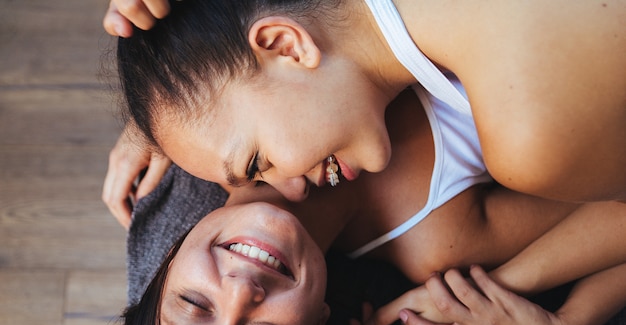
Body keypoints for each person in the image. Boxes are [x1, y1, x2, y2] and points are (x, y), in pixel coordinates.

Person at [93, 87, 626, 325]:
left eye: (195, 305)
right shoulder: (440, 238)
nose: (241, 290)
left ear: (165, 264)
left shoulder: (194, 113)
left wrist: (160, 97)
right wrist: (550, 313)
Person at [102, 0, 626, 230]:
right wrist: (163, 86)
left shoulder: (531, 137)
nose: (291, 188)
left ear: (285, 45)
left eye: (258, 161)